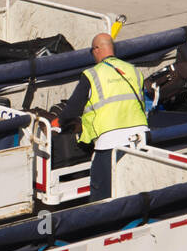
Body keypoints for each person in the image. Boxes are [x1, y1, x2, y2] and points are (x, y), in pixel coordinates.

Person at [49, 32, 150, 200]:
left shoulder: (92, 74)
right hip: (141, 137)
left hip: (109, 142)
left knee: (102, 194)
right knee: (134, 188)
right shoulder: (133, 70)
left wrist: (59, 122)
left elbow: (73, 109)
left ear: (96, 50)